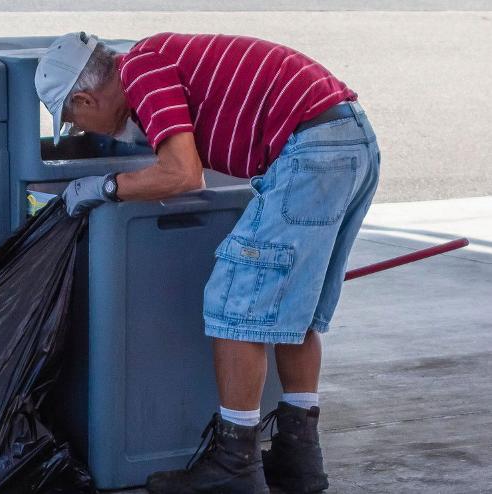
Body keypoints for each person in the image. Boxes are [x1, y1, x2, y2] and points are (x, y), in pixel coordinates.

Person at [35, 31, 380, 494]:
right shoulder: (153, 59)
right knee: (292, 310)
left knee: (234, 303)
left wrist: (105, 187)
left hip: (313, 149)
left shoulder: (140, 70)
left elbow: (182, 173)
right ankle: (299, 460)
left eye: (75, 122)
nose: (83, 132)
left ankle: (234, 462)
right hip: (349, 139)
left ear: (84, 97)